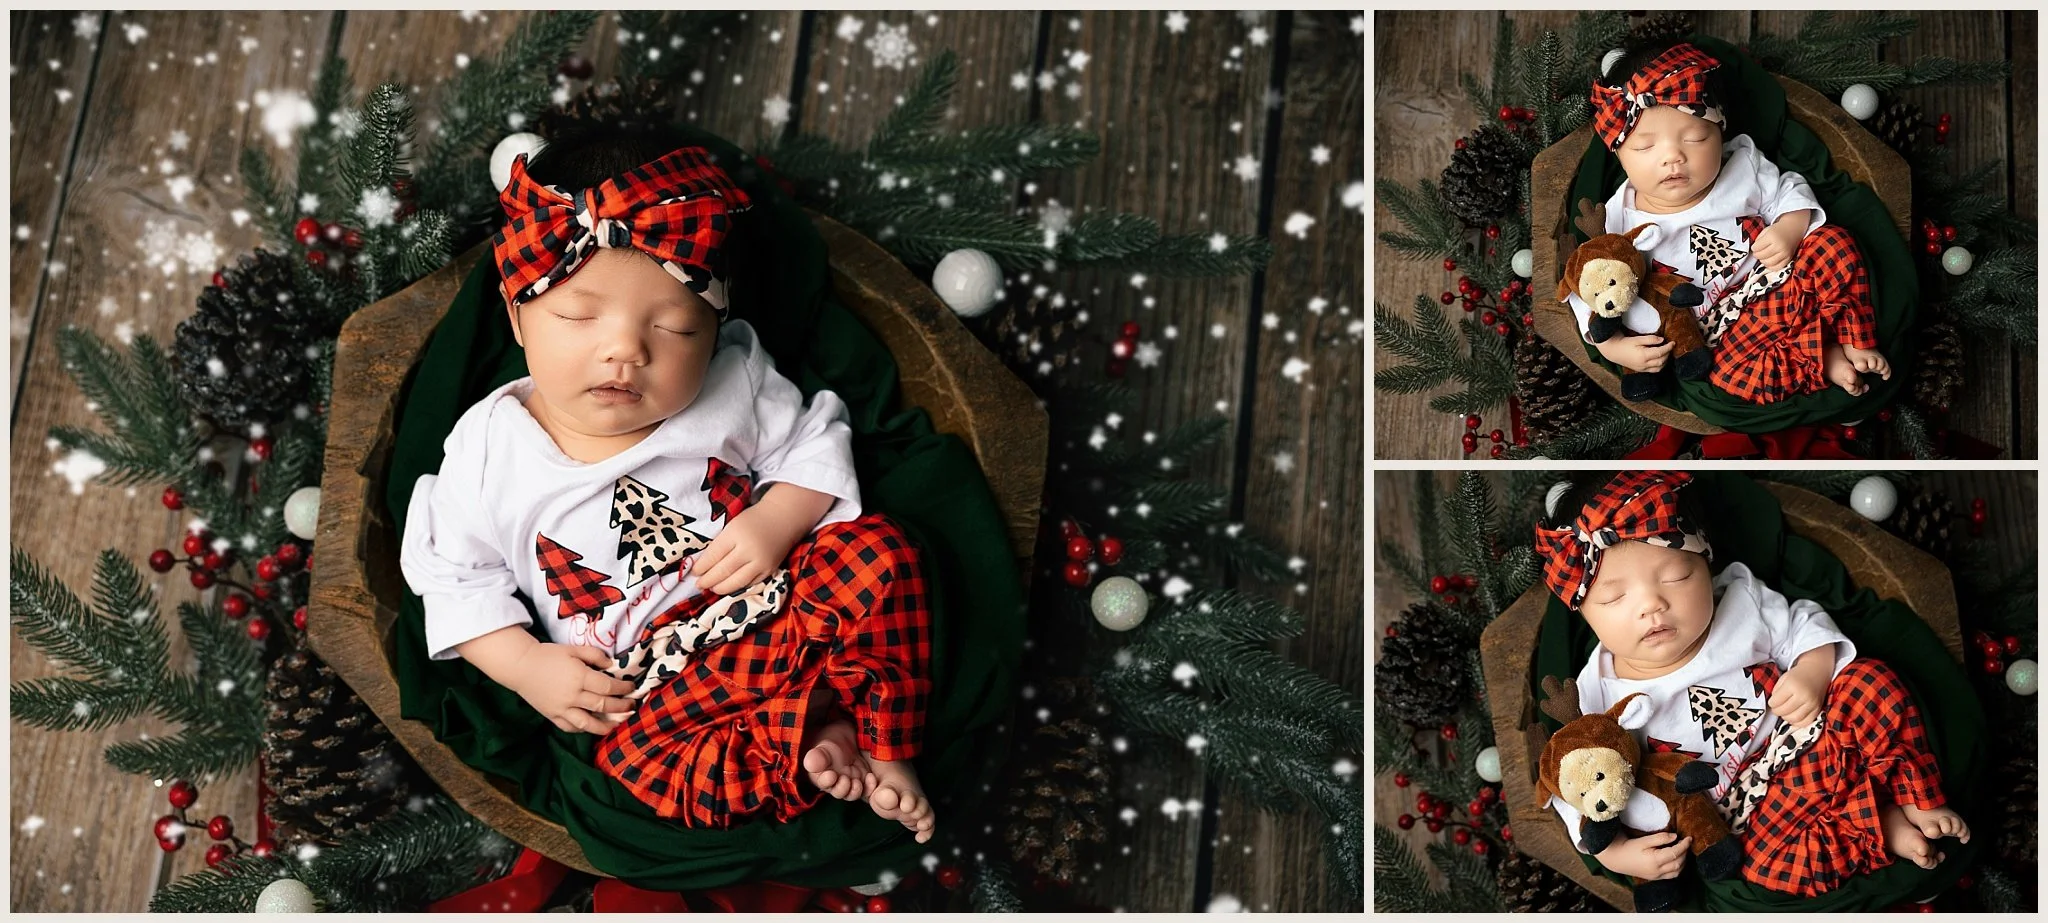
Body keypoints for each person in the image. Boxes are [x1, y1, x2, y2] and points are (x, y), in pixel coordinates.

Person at [399, 127, 935, 842]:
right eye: (578, 315)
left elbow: (816, 442)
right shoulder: (487, 448)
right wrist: (527, 666)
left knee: (880, 554)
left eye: (676, 327)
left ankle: (886, 743)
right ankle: (809, 741)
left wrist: (776, 519)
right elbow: (455, 581)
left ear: (716, 327)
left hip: (778, 608)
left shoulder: (732, 383)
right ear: (516, 315)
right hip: (657, 690)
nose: (625, 348)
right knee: (641, 768)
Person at [1535, 471, 1967, 897]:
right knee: (1769, 868)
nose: (1652, 604)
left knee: (1868, 682)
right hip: (1750, 812)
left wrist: (1812, 672)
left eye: (1676, 577)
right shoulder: (1593, 696)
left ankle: (1916, 795)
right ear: (1584, 611)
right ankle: (1878, 827)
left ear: (1706, 562)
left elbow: (1805, 625)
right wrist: (1618, 854)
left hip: (1809, 731)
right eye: (1614, 597)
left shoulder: (1740, 603)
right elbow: (1574, 781)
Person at [1567, 41, 1892, 404]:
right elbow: (1589, 287)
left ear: (1720, 130)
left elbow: (1791, 190)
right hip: (1724, 332)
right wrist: (1615, 348)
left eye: (1695, 137)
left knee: (1832, 243)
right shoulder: (1615, 219)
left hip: (1781, 279)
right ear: (1619, 153)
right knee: (1729, 378)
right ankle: (1821, 358)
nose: (1673, 156)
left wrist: (1790, 228)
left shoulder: (1741, 166)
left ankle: (1853, 335)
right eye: (1645, 147)